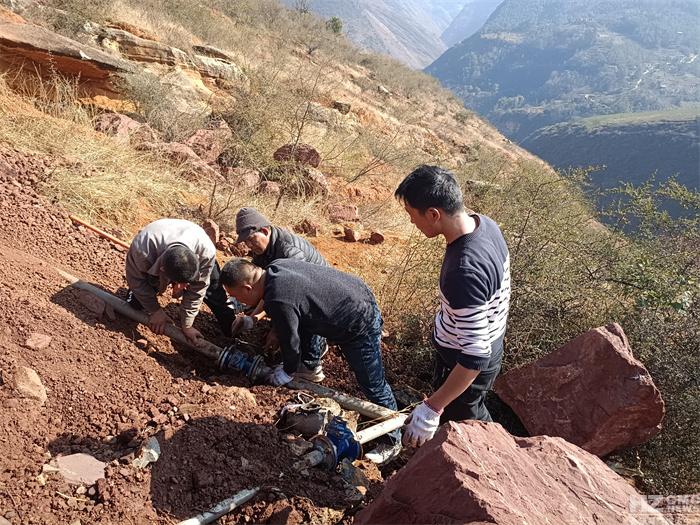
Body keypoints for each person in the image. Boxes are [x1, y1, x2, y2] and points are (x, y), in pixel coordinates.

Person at [220, 257, 401, 462]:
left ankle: (392, 440)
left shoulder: (279, 298)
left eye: (238, 297)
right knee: (307, 316)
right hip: (357, 295)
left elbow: (291, 340)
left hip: (358, 322)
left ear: (247, 287)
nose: (241, 303)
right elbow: (297, 311)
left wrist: (287, 371)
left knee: (373, 384)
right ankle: (311, 366)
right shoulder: (275, 269)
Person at [394, 165, 510, 448]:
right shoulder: (485, 224)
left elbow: (473, 357)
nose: (412, 223)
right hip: (490, 341)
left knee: (469, 428)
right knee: (466, 413)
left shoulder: (463, 271)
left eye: (412, 215)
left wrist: (433, 408)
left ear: (434, 214)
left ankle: (500, 460)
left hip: (466, 365)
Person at [231, 207, 329, 381]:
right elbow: (264, 289)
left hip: (319, 296)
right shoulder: (262, 252)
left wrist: (277, 330)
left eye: (252, 240)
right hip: (293, 292)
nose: (249, 246)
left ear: (265, 230)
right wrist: (253, 318)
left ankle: (313, 356)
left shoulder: (290, 252)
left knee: (301, 322)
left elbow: (289, 297)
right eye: (246, 242)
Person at [125, 218, 236, 344]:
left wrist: (187, 325)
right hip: (157, 246)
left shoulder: (206, 254)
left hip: (192, 239)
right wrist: (155, 311)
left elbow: (198, 289)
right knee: (136, 302)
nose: (183, 287)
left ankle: (233, 334)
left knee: (215, 293)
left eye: (187, 284)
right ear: (162, 269)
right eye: (180, 283)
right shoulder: (143, 250)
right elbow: (136, 281)